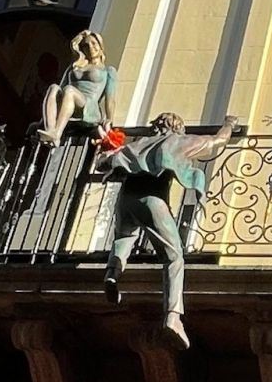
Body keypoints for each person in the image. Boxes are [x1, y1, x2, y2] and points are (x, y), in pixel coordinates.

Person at [97, 111, 237, 350]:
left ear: (156, 127)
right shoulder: (180, 141)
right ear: (178, 127)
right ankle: (173, 317)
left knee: (124, 236)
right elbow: (217, 142)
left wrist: (106, 141)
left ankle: (112, 274)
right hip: (153, 201)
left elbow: (104, 162)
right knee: (174, 256)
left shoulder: (137, 144)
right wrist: (229, 125)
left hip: (126, 200)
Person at [38, 30, 117, 147]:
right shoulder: (74, 67)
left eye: (94, 43)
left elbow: (110, 99)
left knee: (69, 90)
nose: (90, 47)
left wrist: (110, 118)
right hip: (68, 100)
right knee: (53, 87)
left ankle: (57, 134)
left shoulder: (108, 71)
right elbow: (61, 87)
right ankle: (50, 129)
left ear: (100, 46)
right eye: (86, 45)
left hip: (88, 105)